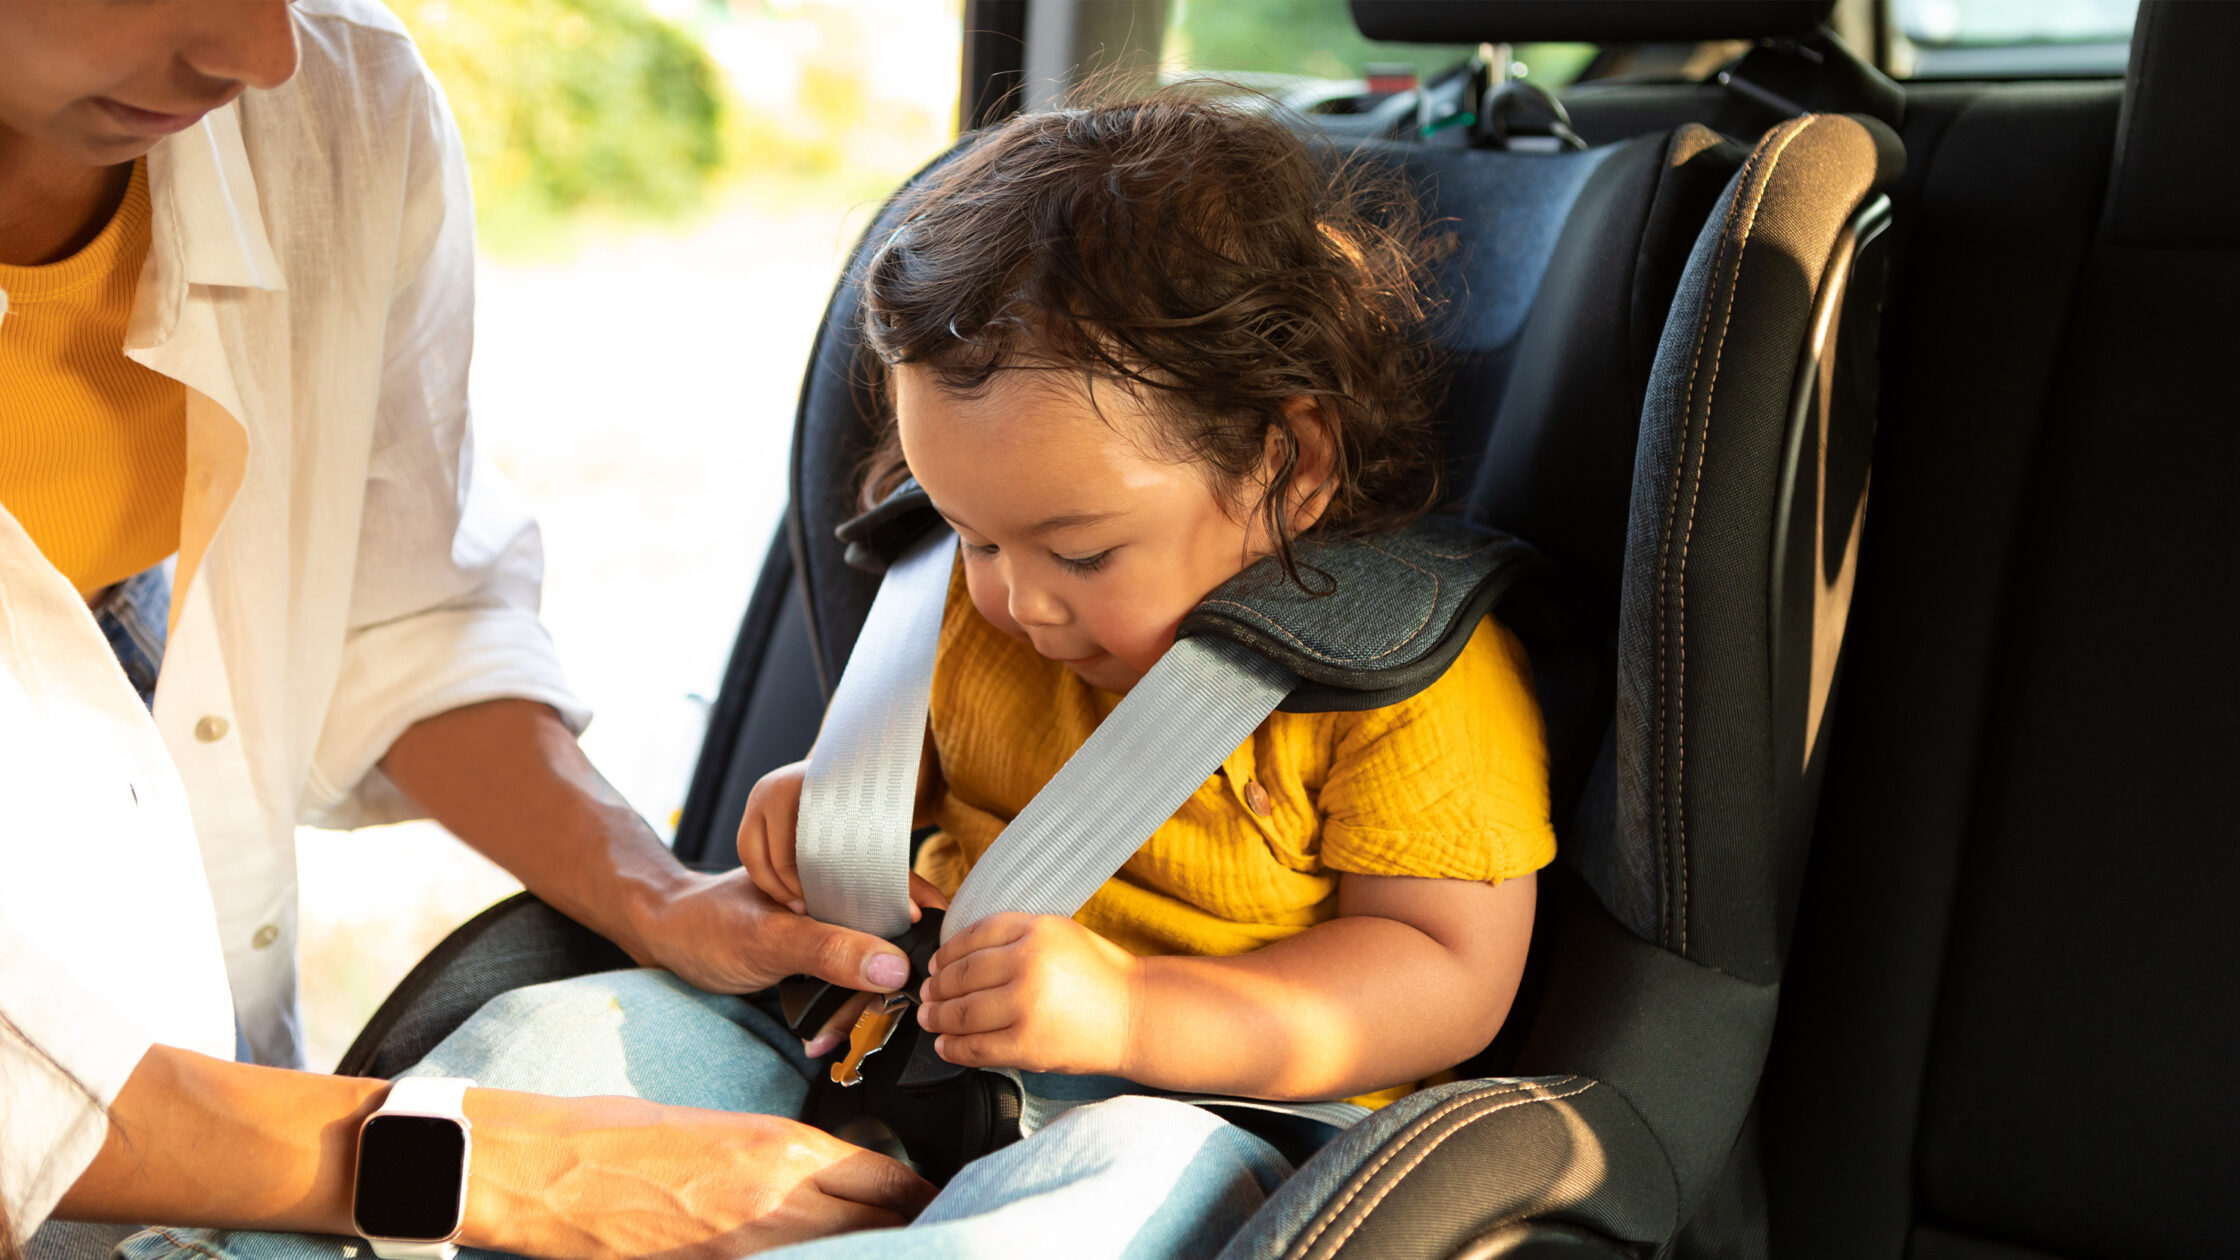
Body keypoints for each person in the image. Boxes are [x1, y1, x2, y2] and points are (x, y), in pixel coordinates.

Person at [134, 92, 1558, 1260]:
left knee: (1108, 1194)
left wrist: (1136, 1015)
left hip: (1200, 1110)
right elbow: (924, 793)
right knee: (569, 1042)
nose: (1015, 597)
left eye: (1078, 550)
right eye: (973, 535)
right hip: (882, 1053)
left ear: (1288, 462)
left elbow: (1446, 972)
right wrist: (826, 813)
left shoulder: (1403, 687)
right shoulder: (976, 615)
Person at [0, 1, 932, 1254]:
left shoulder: (334, 101)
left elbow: (401, 610)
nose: (258, 56)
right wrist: (483, 1165)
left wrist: (655, 895)